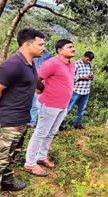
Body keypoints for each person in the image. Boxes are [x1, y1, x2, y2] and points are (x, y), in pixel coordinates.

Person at [0, 28, 45, 197]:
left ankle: (7, 181)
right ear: (27, 44)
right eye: (40, 44)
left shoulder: (29, 63)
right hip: (8, 120)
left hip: (21, 118)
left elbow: (31, 85)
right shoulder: (12, 64)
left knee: (11, 154)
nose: (43, 47)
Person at [24, 39, 75, 177]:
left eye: (73, 46)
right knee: (40, 132)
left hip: (62, 105)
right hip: (49, 104)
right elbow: (36, 79)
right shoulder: (52, 63)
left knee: (51, 132)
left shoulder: (71, 65)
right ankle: (30, 163)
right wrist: (40, 90)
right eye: (69, 47)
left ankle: (42, 156)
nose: (73, 49)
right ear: (60, 50)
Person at [61, 51, 95, 130]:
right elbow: (71, 77)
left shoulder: (89, 65)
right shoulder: (76, 64)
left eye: (90, 60)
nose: (89, 61)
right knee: (69, 108)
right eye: (88, 59)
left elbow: (90, 74)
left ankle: (77, 124)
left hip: (86, 91)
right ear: (84, 56)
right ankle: (62, 124)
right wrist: (83, 77)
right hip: (76, 90)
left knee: (82, 108)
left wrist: (91, 76)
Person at [29, 50, 52, 128]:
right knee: (32, 103)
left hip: (41, 83)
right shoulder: (32, 53)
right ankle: (31, 122)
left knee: (37, 104)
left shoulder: (48, 55)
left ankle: (34, 123)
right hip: (30, 80)